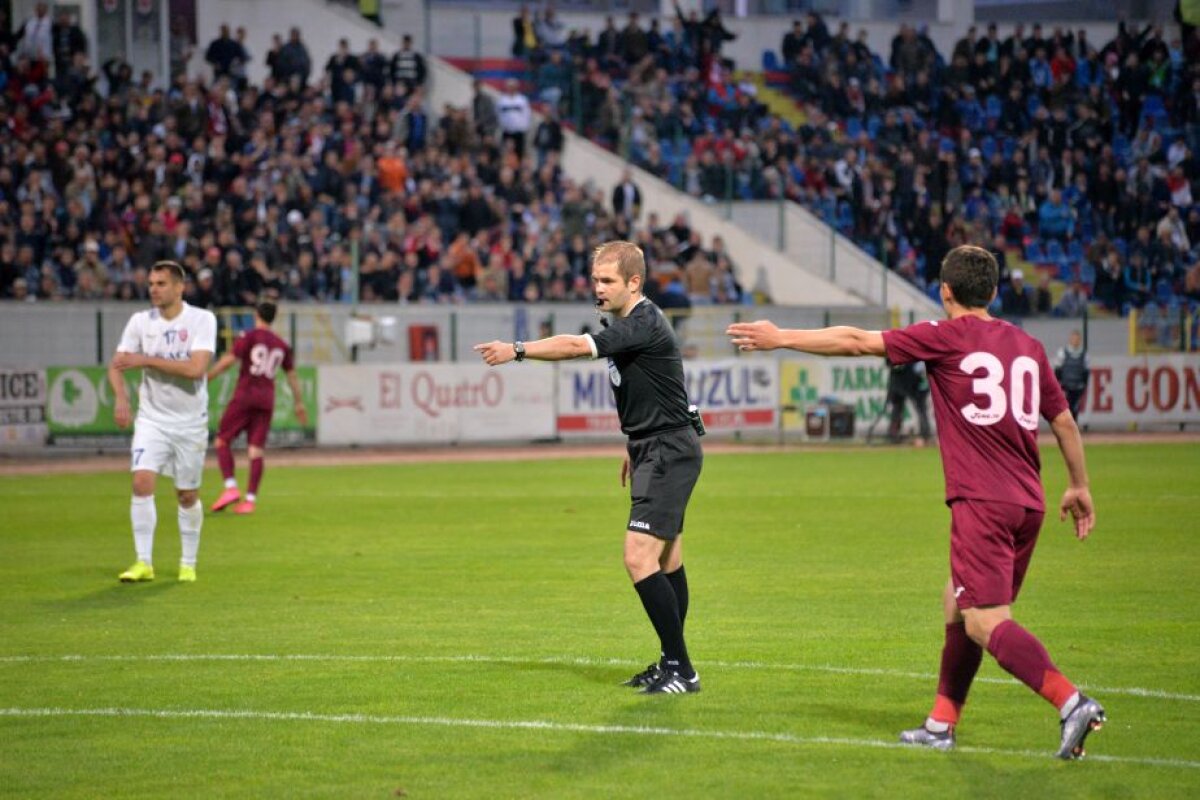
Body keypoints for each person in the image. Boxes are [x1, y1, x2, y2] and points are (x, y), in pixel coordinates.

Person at [727, 245, 1105, 759]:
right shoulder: (1028, 345)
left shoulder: (944, 336)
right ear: (994, 292)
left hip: (982, 500)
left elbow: (859, 341)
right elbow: (1062, 420)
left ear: (944, 291)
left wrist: (781, 338)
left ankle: (1070, 702)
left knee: (984, 620)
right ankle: (940, 724)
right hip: (1028, 503)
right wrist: (1079, 485)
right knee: (959, 602)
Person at [474, 241, 704, 695]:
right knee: (666, 558)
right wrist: (635, 444)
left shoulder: (640, 322)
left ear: (633, 283)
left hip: (667, 450)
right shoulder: (630, 321)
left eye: (607, 281)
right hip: (655, 446)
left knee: (638, 556)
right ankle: (670, 661)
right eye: (595, 279)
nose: (597, 288)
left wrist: (517, 350)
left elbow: (576, 346)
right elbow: (658, 388)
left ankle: (682, 669)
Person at [108, 261, 217, 583]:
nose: (153, 288)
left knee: (186, 494)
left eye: (161, 283)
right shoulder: (140, 322)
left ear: (180, 287)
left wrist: (144, 360)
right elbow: (117, 364)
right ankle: (143, 562)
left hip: (189, 423)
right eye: (151, 283)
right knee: (141, 482)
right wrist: (121, 397)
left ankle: (188, 562)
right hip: (151, 419)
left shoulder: (202, 319)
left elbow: (195, 369)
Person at [207, 300, 307, 515]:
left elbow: (228, 361)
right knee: (255, 450)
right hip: (266, 399)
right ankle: (250, 501)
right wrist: (299, 402)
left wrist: (207, 377)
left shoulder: (249, 337)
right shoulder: (281, 344)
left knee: (222, 440)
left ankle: (231, 487)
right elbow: (292, 376)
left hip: (245, 395)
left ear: (256, 315)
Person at [1053, 329, 1090, 421]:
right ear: (1070, 339)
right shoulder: (1062, 353)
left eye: (1077, 339)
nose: (1075, 340)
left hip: (1078, 387)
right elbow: (1057, 370)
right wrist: (1059, 385)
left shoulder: (1084, 354)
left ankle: (1074, 427)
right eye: (1073, 338)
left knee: (1075, 408)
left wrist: (1084, 386)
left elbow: (1086, 372)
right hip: (1065, 386)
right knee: (1066, 409)